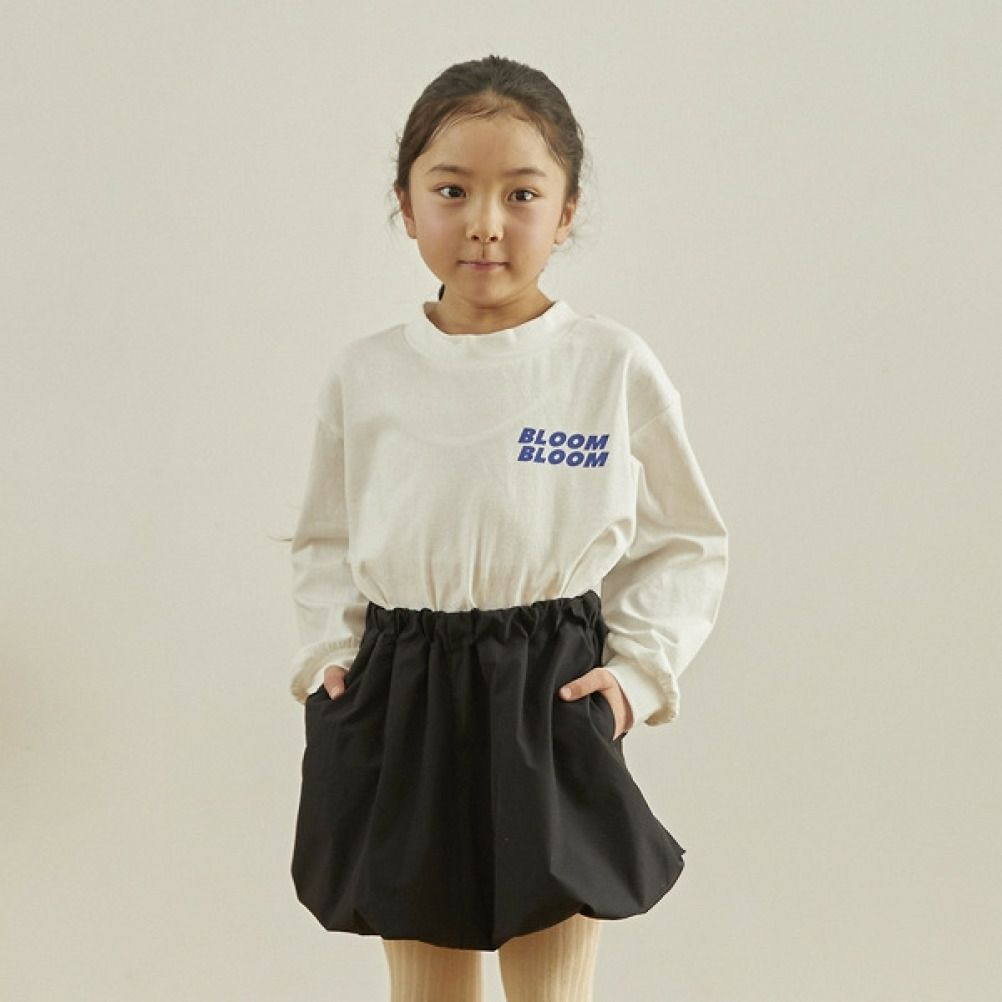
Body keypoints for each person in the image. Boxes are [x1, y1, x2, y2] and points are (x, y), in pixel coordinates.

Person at [287, 54, 729, 1002]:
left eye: (521, 194)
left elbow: (688, 539)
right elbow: (324, 537)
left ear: (566, 212)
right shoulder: (367, 374)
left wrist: (638, 678)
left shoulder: (608, 365)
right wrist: (330, 659)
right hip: (403, 689)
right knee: (426, 986)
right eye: (452, 190)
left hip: (549, 688)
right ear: (407, 205)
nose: (485, 222)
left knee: (551, 986)